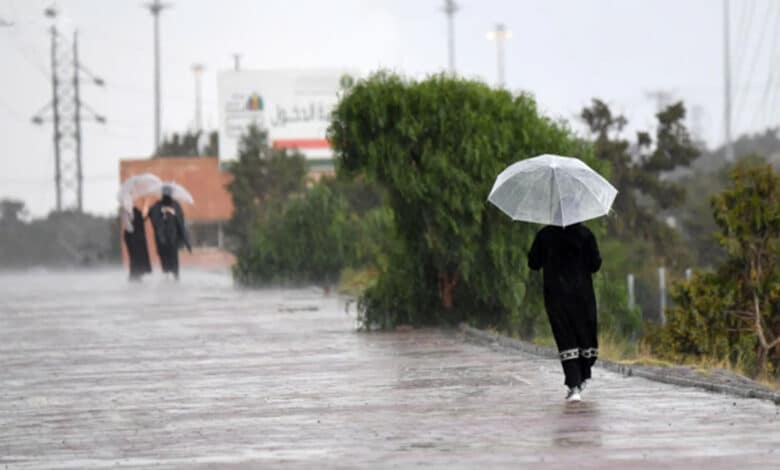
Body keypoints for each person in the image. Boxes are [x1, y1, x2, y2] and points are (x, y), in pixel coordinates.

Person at [528, 222, 601, 402]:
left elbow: (533, 263)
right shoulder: (585, 234)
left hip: (556, 295)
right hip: (582, 296)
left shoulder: (545, 235)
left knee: (565, 337)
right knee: (584, 335)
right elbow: (595, 264)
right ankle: (581, 376)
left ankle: (574, 384)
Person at [148, 187, 192, 280]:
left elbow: (181, 220)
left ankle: (175, 276)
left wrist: (173, 212)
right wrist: (162, 212)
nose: (167, 196)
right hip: (162, 238)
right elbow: (152, 215)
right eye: (165, 194)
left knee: (174, 259)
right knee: (164, 259)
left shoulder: (175, 204)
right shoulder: (157, 205)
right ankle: (166, 276)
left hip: (173, 237)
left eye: (169, 194)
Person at [122, 204, 152, 281]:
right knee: (135, 257)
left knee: (137, 257)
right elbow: (128, 224)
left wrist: (147, 211)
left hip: (137, 237)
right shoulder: (127, 211)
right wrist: (132, 230)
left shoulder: (135, 211)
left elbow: (142, 219)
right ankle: (134, 274)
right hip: (133, 238)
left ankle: (137, 274)